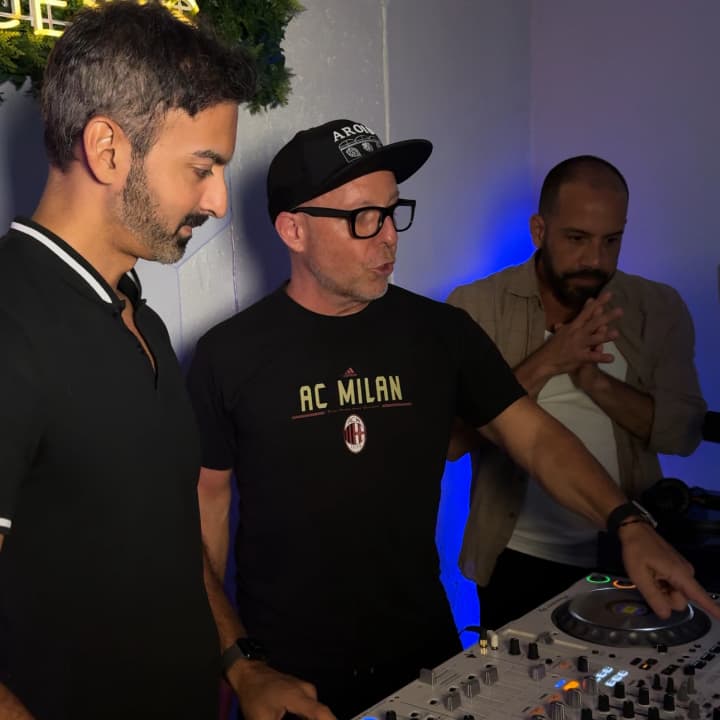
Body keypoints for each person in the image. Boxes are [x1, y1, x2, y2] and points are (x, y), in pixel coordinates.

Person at [187, 122, 718, 720]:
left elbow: (536, 438)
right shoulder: (228, 356)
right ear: (294, 229)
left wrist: (628, 523)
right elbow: (202, 522)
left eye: (393, 212)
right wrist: (238, 663)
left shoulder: (439, 333)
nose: (389, 237)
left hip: (424, 659)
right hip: (286, 676)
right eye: (364, 218)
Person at [0, 3, 301, 719]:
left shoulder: (141, 319)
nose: (219, 200)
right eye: (202, 167)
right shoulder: (10, 323)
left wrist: (240, 663)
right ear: (108, 149)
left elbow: (166, 535)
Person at [447, 155, 707, 630]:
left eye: (611, 241)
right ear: (539, 230)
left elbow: (684, 434)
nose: (595, 260)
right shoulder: (475, 305)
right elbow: (450, 442)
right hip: (516, 558)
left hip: (629, 551)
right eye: (576, 239)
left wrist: (596, 384)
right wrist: (550, 360)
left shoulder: (658, 306)